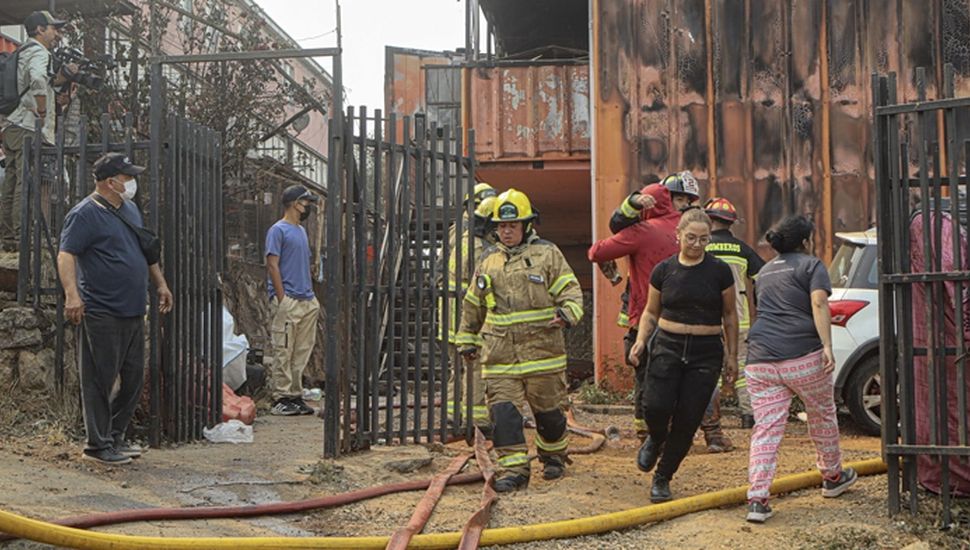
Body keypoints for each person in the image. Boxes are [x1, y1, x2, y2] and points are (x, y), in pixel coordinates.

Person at [457, 188, 583, 492]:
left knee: (550, 416)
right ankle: (514, 471)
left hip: (543, 354)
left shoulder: (547, 254)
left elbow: (572, 293)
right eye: (501, 226)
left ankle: (553, 456)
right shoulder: (488, 262)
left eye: (512, 225)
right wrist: (467, 339)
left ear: (526, 225)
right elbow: (473, 304)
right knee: (504, 415)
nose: (506, 231)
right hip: (500, 355)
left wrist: (567, 314)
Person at [57, 153, 173, 465]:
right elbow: (66, 254)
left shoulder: (130, 209)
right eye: (127, 176)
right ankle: (97, 444)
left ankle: (115, 436)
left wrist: (160, 283)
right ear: (111, 182)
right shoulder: (84, 214)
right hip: (102, 309)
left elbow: (145, 251)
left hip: (133, 308)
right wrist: (72, 295)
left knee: (134, 377)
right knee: (99, 377)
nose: (132, 182)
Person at [743, 215, 857, 523]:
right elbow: (819, 304)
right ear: (805, 241)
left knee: (766, 429)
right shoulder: (812, 266)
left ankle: (757, 500)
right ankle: (833, 478)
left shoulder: (764, 272)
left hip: (760, 361)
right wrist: (828, 346)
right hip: (803, 356)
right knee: (822, 415)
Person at [629, 208, 738, 503]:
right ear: (678, 236)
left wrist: (732, 356)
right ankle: (655, 437)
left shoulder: (719, 271)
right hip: (667, 345)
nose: (697, 245)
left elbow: (730, 315)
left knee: (688, 419)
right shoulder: (664, 270)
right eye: (691, 238)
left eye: (704, 239)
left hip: (705, 353)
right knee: (655, 405)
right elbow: (651, 312)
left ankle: (663, 476)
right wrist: (640, 342)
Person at [588, 181, 679, 441]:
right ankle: (695, 430)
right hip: (688, 318)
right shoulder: (686, 227)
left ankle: (647, 433)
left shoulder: (643, 230)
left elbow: (597, 251)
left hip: (649, 319)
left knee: (647, 375)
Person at [908, 192, 970, 496]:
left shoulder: (927, 225)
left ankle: (944, 472)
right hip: (949, 345)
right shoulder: (943, 229)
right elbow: (960, 290)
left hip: (937, 342)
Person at [1, 11, 74, 249]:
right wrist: (42, 110)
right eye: (53, 28)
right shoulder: (38, 52)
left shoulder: (21, 51)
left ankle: (9, 237)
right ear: (40, 30)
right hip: (27, 126)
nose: (57, 34)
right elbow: (37, 80)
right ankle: (24, 236)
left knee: (12, 181)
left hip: (11, 125)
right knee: (26, 181)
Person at [703, 197, 766, 430]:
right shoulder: (742, 249)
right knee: (741, 369)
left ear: (709, 220)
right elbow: (762, 278)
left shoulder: (702, 247)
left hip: (706, 320)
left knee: (710, 369)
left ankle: (712, 420)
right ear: (731, 223)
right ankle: (748, 417)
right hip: (740, 321)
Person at [442, 195, 498, 433]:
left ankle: (454, 415)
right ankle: (477, 421)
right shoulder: (482, 250)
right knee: (475, 367)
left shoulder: (462, 238)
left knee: (458, 367)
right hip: (469, 316)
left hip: (451, 315)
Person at [265, 184, 320, 416]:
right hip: (289, 299)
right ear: (295, 204)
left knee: (301, 350)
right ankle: (281, 396)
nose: (307, 207)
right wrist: (281, 297)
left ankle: (294, 395)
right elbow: (272, 263)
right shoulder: (278, 230)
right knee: (283, 348)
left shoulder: (301, 231)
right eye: (305, 202)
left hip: (306, 299)